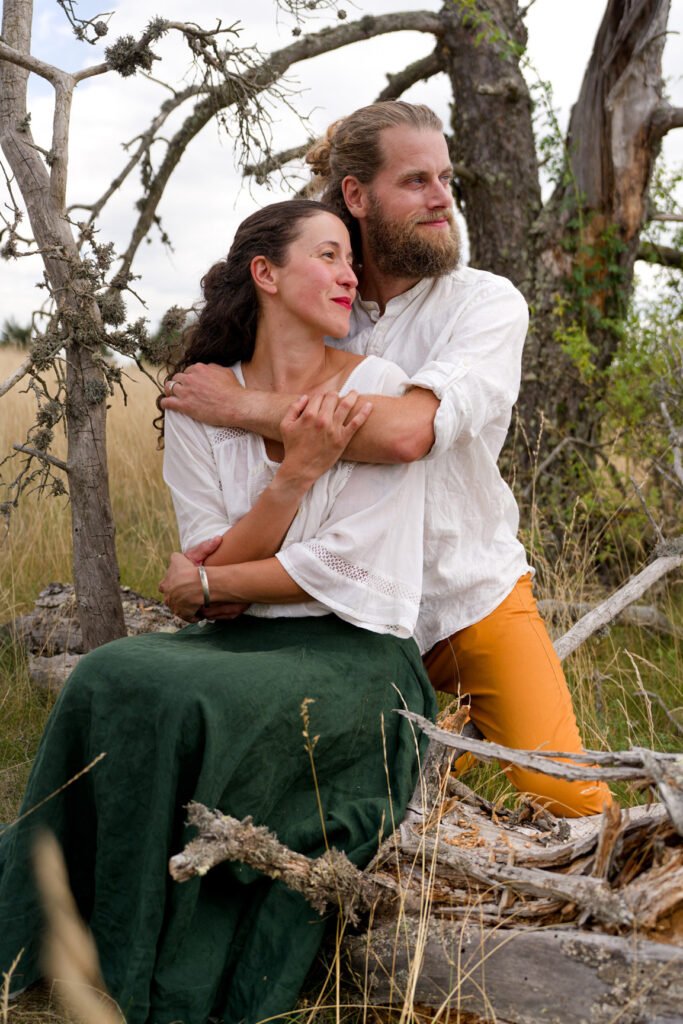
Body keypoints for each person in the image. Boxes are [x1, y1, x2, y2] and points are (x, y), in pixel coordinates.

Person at [0, 200, 436, 1024]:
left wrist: (212, 584)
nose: (351, 274)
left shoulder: (372, 393)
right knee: (108, 673)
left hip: (356, 651)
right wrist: (293, 477)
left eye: (354, 260)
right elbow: (218, 563)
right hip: (237, 640)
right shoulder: (202, 401)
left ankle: (173, 963)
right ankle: (64, 930)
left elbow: (348, 571)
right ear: (265, 274)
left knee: (193, 702)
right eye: (329, 255)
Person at [161, 101, 612, 818]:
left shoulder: (482, 305)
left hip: (463, 600)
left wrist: (241, 407)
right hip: (335, 612)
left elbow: (408, 433)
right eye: (416, 181)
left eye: (445, 177)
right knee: (326, 807)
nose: (442, 199)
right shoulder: (317, 296)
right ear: (354, 196)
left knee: (563, 792)